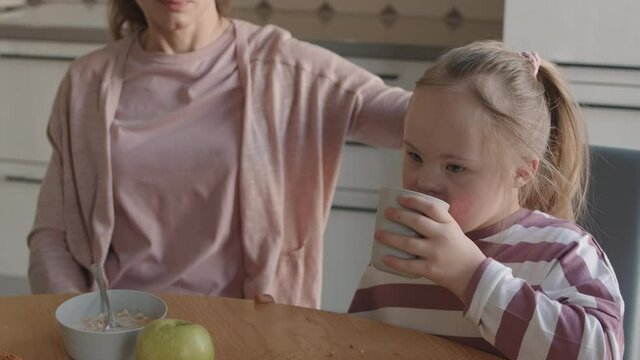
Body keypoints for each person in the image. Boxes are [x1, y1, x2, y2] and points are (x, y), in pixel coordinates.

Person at [27, 0, 410, 309]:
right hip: (120, 325)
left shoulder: (289, 68)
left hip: (250, 328)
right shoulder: (86, 82)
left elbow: (412, 120)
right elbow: (52, 235)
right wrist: (76, 320)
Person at [348, 41, 624, 359]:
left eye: (454, 167)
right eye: (415, 156)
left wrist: (471, 277)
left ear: (521, 171)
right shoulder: (396, 258)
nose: (424, 181)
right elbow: (349, 344)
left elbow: (600, 353)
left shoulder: (562, 252)